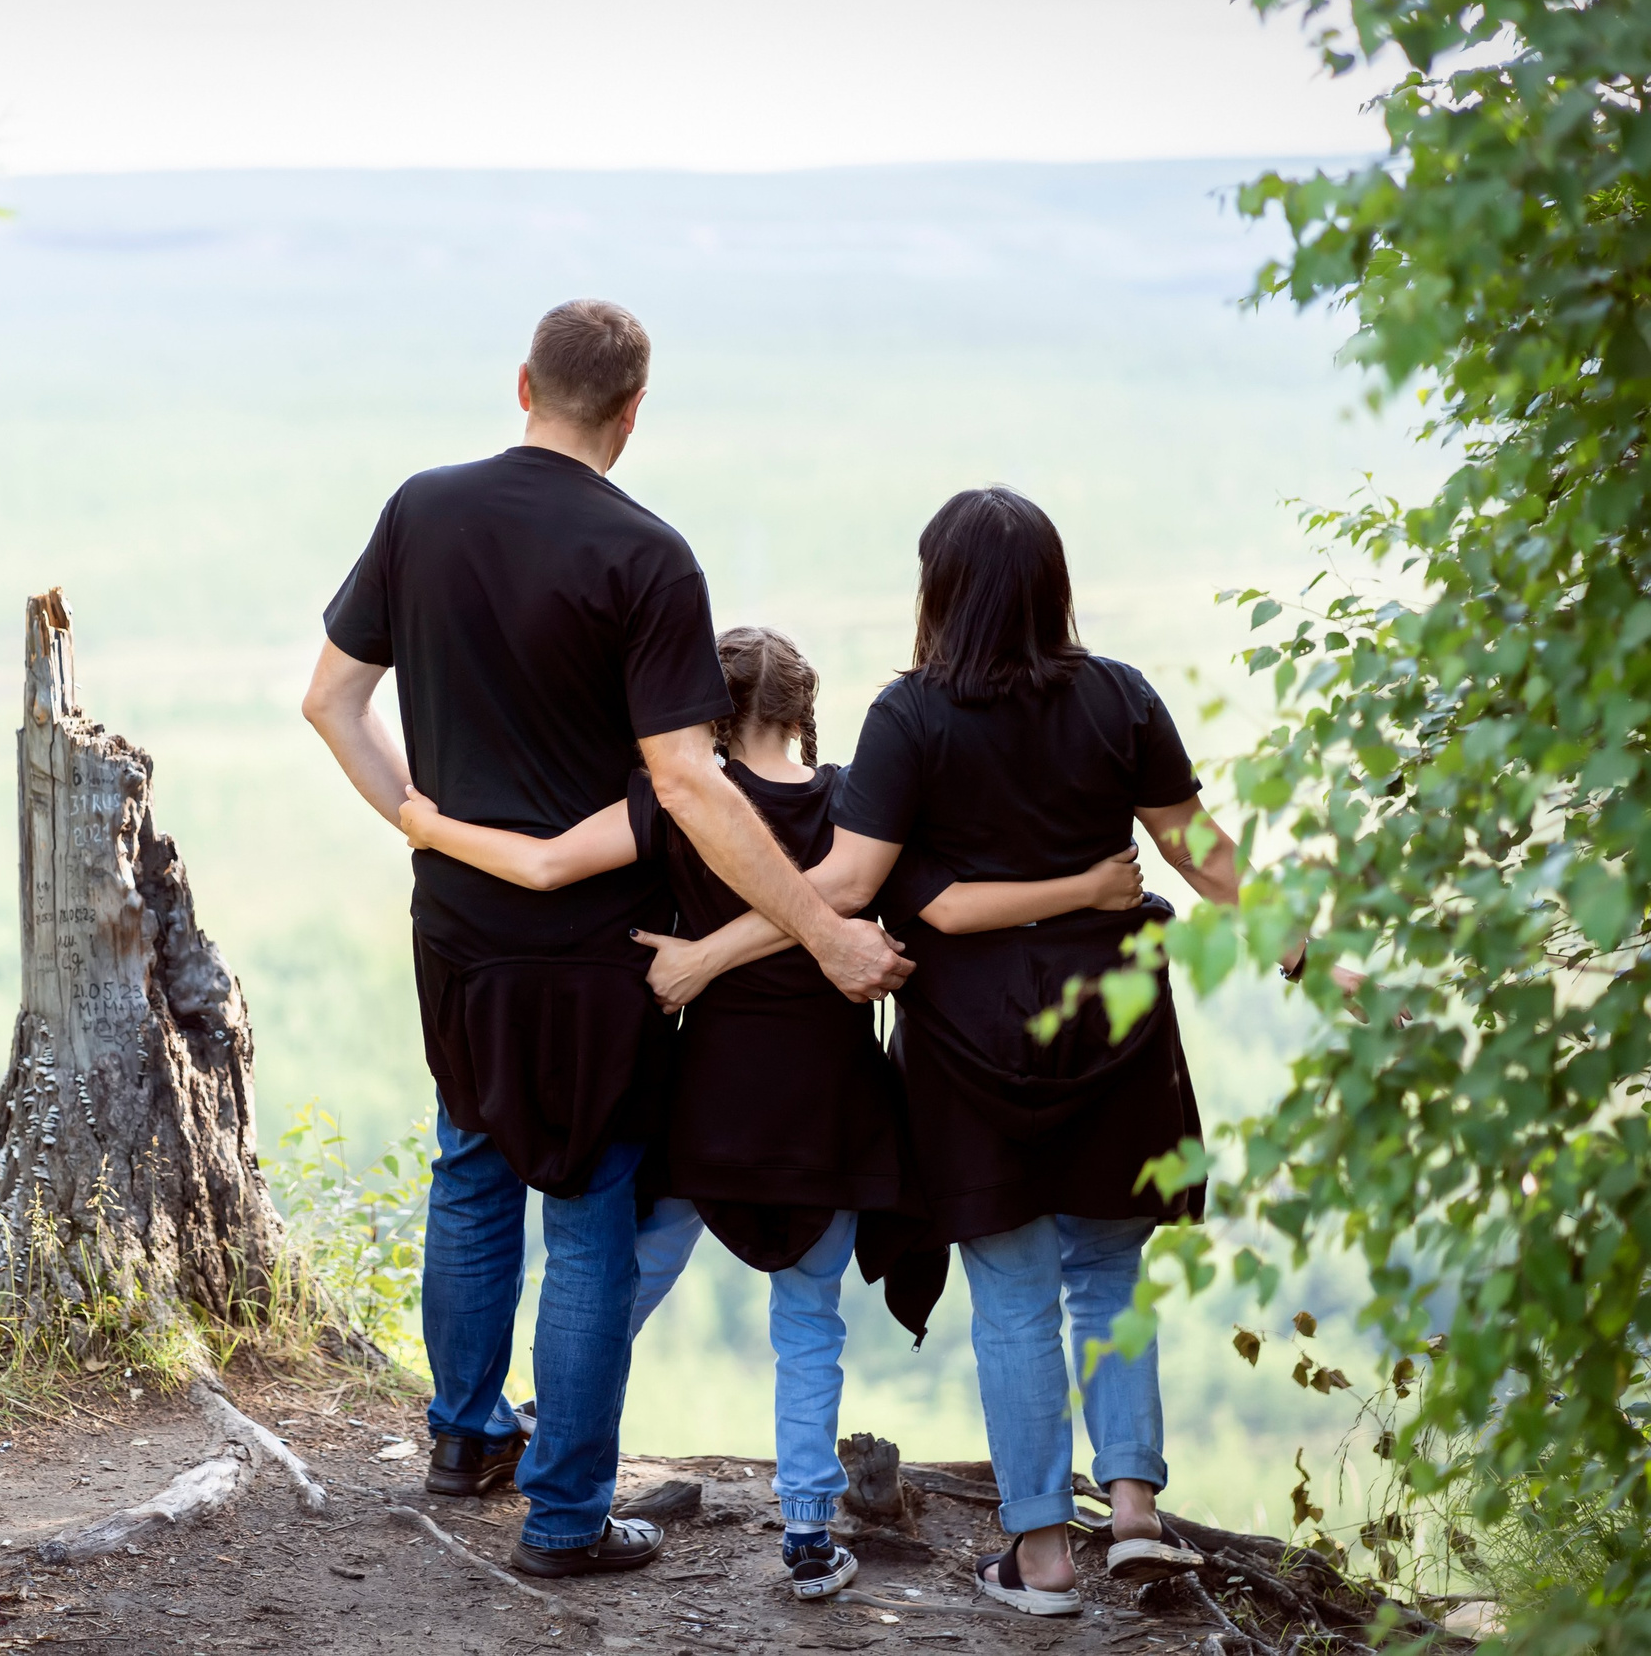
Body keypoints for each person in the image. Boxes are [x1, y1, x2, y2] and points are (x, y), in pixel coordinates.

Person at [302, 300, 912, 1579]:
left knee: (470, 1168)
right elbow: (690, 784)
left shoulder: (422, 508)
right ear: (633, 414)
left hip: (457, 923)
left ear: (521, 382)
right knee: (583, 1218)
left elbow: (329, 700)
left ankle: (464, 1435)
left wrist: (419, 818)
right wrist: (824, 934)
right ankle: (565, 1516)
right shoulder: (649, 557)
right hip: (599, 948)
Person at [401, 623, 1143, 1598]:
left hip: (703, 1103)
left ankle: (551, 1432)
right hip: (829, 1113)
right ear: (804, 706)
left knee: (618, 1282)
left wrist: (428, 823)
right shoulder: (856, 806)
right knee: (808, 1322)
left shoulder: (677, 802)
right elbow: (946, 896)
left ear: (706, 714)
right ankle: (804, 1532)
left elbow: (545, 863)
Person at [643, 487, 1229, 1615]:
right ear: (1052, 584)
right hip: (1115, 1019)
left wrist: (706, 955)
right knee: (1109, 1273)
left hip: (974, 1037)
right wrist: (1294, 926)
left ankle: (1044, 1556)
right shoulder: (1121, 695)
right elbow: (1190, 842)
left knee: (1012, 1295)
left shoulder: (911, 716)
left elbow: (850, 888)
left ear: (939, 592)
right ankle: (1138, 1512)